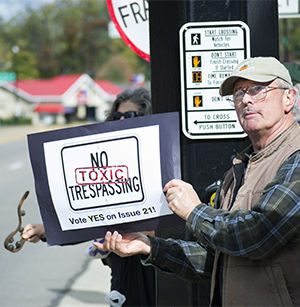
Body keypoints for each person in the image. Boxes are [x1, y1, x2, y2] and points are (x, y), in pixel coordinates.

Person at [94, 57, 300, 306]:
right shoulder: (240, 167)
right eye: (238, 93)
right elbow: (217, 262)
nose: (246, 100)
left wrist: (194, 210)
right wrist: (149, 246)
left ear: (289, 98)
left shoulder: (296, 156)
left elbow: (259, 233)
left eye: (258, 90)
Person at [22, 87, 156, 307]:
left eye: (130, 116)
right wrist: (45, 229)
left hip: (154, 264)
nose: (122, 121)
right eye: (117, 116)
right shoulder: (111, 161)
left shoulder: (155, 160)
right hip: (122, 268)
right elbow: (91, 214)